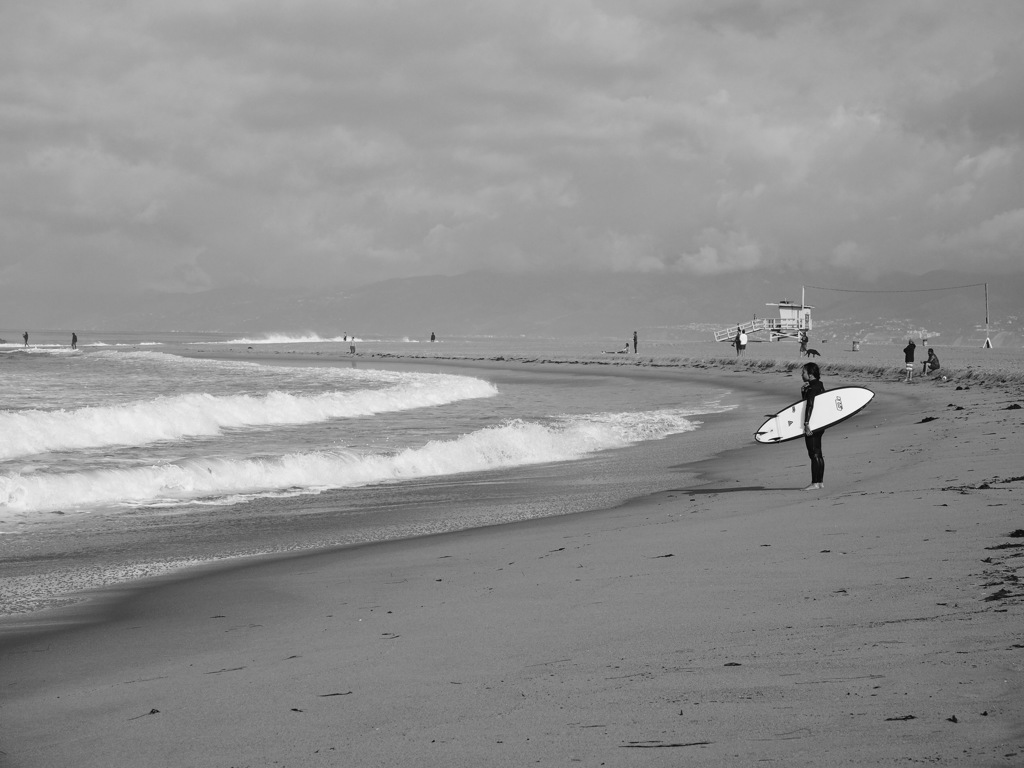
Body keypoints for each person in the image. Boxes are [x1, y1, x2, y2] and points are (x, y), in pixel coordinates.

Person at [801, 362, 826, 490]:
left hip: (812, 424)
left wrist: (806, 424)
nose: (802, 375)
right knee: (818, 453)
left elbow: (809, 405)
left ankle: (815, 483)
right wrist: (803, 392)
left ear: (810, 375)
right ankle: (820, 482)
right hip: (820, 424)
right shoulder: (820, 386)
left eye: (803, 372)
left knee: (813, 454)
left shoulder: (812, 389)